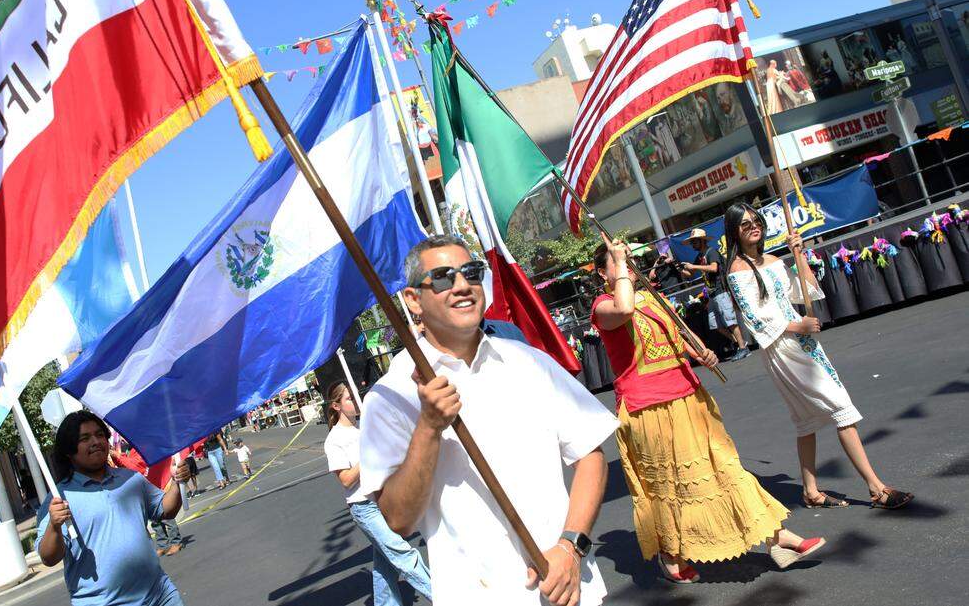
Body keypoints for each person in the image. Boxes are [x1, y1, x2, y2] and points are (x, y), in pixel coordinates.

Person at [359, 234, 619, 606]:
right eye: (445, 277)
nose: (463, 286)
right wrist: (429, 427)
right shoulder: (390, 396)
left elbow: (590, 456)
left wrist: (571, 546)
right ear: (413, 300)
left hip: (568, 587)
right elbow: (398, 519)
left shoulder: (529, 362)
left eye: (472, 272)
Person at [591, 236, 824, 582]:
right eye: (618, 261)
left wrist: (698, 352)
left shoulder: (651, 298)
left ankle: (779, 538)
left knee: (726, 468)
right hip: (647, 408)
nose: (628, 265)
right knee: (668, 486)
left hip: (687, 396)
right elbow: (624, 311)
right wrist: (620, 263)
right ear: (602, 272)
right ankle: (671, 558)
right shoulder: (603, 305)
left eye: (628, 260)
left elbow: (673, 336)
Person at [722, 203, 914, 510]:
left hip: (804, 342)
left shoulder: (772, 260)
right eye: (744, 224)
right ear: (734, 231)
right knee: (841, 407)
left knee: (806, 419)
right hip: (782, 348)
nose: (753, 227)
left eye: (755, 221)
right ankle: (876, 488)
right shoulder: (736, 269)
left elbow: (806, 291)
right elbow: (753, 319)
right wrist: (797, 324)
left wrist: (798, 254)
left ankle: (810, 491)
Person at [37, 410, 191, 605]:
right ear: (69, 450)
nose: (95, 442)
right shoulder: (59, 498)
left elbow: (165, 509)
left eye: (99, 435)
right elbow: (48, 558)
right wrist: (54, 525)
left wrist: (178, 483)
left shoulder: (130, 478)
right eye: (84, 438)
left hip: (160, 596)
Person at [324, 381, 432, 606]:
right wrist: (366, 454)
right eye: (349, 398)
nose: (355, 400)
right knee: (404, 555)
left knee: (385, 566)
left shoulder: (361, 429)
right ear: (336, 406)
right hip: (364, 507)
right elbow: (345, 480)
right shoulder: (334, 440)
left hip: (383, 499)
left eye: (355, 395)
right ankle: (445, 598)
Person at [680, 228, 750, 361]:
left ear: (702, 241)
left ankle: (743, 347)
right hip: (712, 294)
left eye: (694, 241)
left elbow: (714, 268)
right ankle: (738, 343)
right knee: (715, 325)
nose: (693, 244)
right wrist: (682, 270)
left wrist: (693, 267)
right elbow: (690, 274)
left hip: (721, 290)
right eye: (692, 242)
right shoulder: (700, 256)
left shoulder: (711, 252)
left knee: (730, 321)